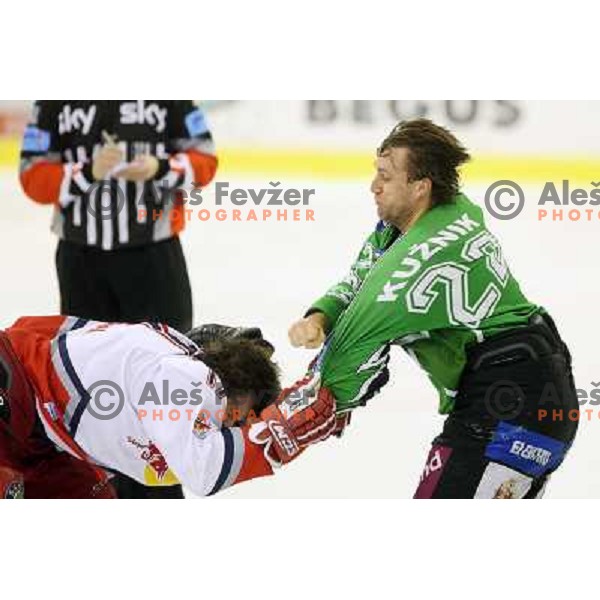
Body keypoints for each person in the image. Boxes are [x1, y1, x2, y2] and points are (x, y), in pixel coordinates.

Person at [288, 118, 578, 499]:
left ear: (421, 186)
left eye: (386, 177)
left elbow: (345, 360)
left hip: (508, 406)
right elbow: (360, 280)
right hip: (531, 389)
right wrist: (320, 315)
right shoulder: (446, 210)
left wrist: (276, 421)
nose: (373, 186)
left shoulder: (406, 271)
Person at [19, 100, 218, 498]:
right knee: (84, 385)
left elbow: (205, 161)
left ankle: (160, 497)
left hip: (155, 258)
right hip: (82, 260)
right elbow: (32, 176)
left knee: (167, 380)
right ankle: (96, 494)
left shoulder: (168, 96)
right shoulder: (55, 101)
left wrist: (160, 168)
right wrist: (85, 172)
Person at [0, 317, 336, 499]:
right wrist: (283, 431)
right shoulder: (186, 377)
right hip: (15, 400)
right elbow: (203, 473)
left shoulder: (156, 367)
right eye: (241, 417)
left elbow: (38, 329)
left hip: (46, 440)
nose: (234, 427)